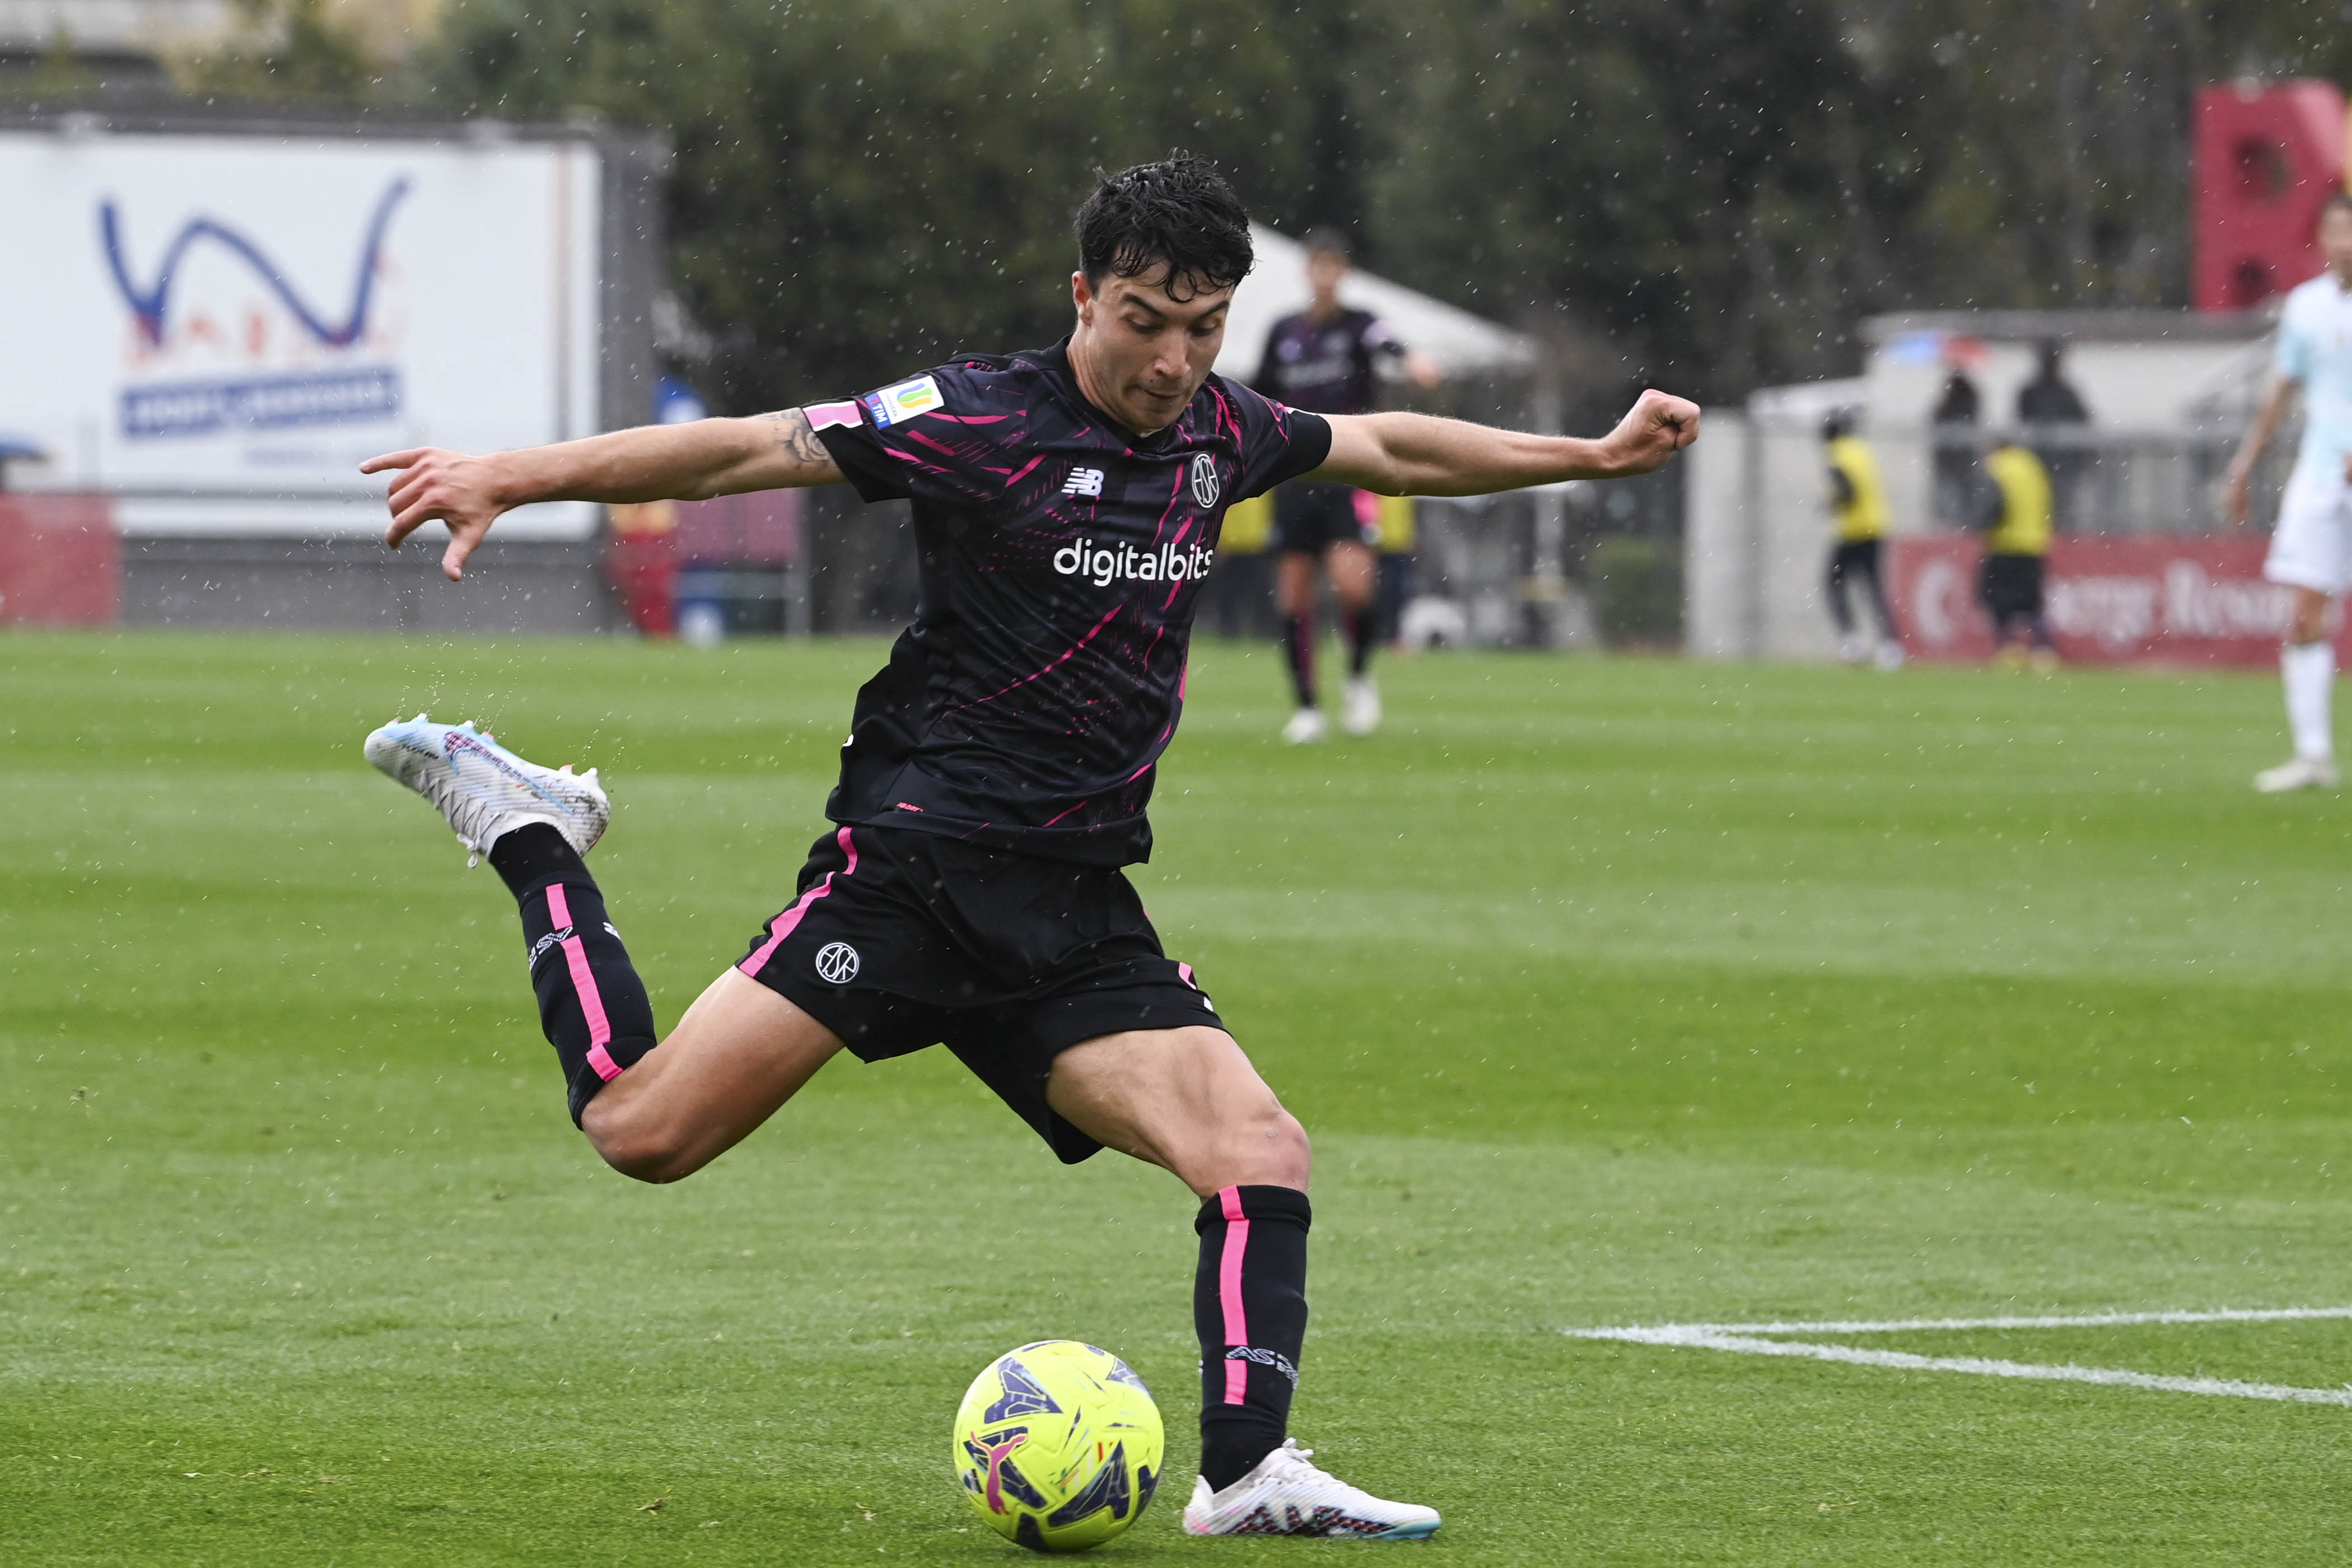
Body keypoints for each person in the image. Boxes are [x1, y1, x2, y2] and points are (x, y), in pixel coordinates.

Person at [356, 155, 1699, 1540]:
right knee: (640, 1132)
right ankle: (533, 832)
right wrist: (517, 473)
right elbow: (756, 446)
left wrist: (1587, 457)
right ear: (1083, 296)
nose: (1174, 362)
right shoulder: (976, 418)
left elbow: (1393, 447)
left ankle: (1247, 1472)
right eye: (1142, 321)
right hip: (913, 878)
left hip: (1073, 913)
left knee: (1258, 1149)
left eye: (1204, 328)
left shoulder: (1217, 435)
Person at [1252, 228, 1444, 743]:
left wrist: (1411, 360)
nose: (1325, 275)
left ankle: (1359, 678)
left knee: (1355, 586)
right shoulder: (1283, 331)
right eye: (1318, 265)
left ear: (1344, 271)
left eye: (1333, 265)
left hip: (1347, 472)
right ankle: (1308, 707)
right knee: (1293, 595)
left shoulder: (1359, 325)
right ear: (1307, 271)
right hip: (1293, 475)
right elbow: (1259, 394)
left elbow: (1385, 340)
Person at [2228, 191, 2352, 793]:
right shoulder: (2305, 307)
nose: (2343, 243)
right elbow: (2283, 389)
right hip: (2324, 474)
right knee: (2306, 610)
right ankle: (2313, 753)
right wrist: (2245, 465)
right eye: (2334, 231)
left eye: (2350, 231)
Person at [1819, 409, 1902, 670]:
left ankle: (1853, 642)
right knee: (1875, 588)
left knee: (1833, 583)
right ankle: (1891, 647)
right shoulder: (1862, 449)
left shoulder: (1836, 453)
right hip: (1876, 526)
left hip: (1854, 530)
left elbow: (1847, 491)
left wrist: (1830, 503)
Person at [1970, 438, 2057, 671]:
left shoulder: (1998, 467)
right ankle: (2043, 651)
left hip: (2005, 543)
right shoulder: (2032, 466)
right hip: (2034, 544)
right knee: (2031, 602)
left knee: (1996, 599)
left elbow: (1993, 504)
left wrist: (1979, 524)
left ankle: (2009, 650)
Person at [2015, 340, 2092, 530]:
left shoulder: (2066, 392)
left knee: (2062, 508)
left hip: (2063, 463)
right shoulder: (2031, 392)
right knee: (2038, 506)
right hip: (2039, 461)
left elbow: (2082, 421)